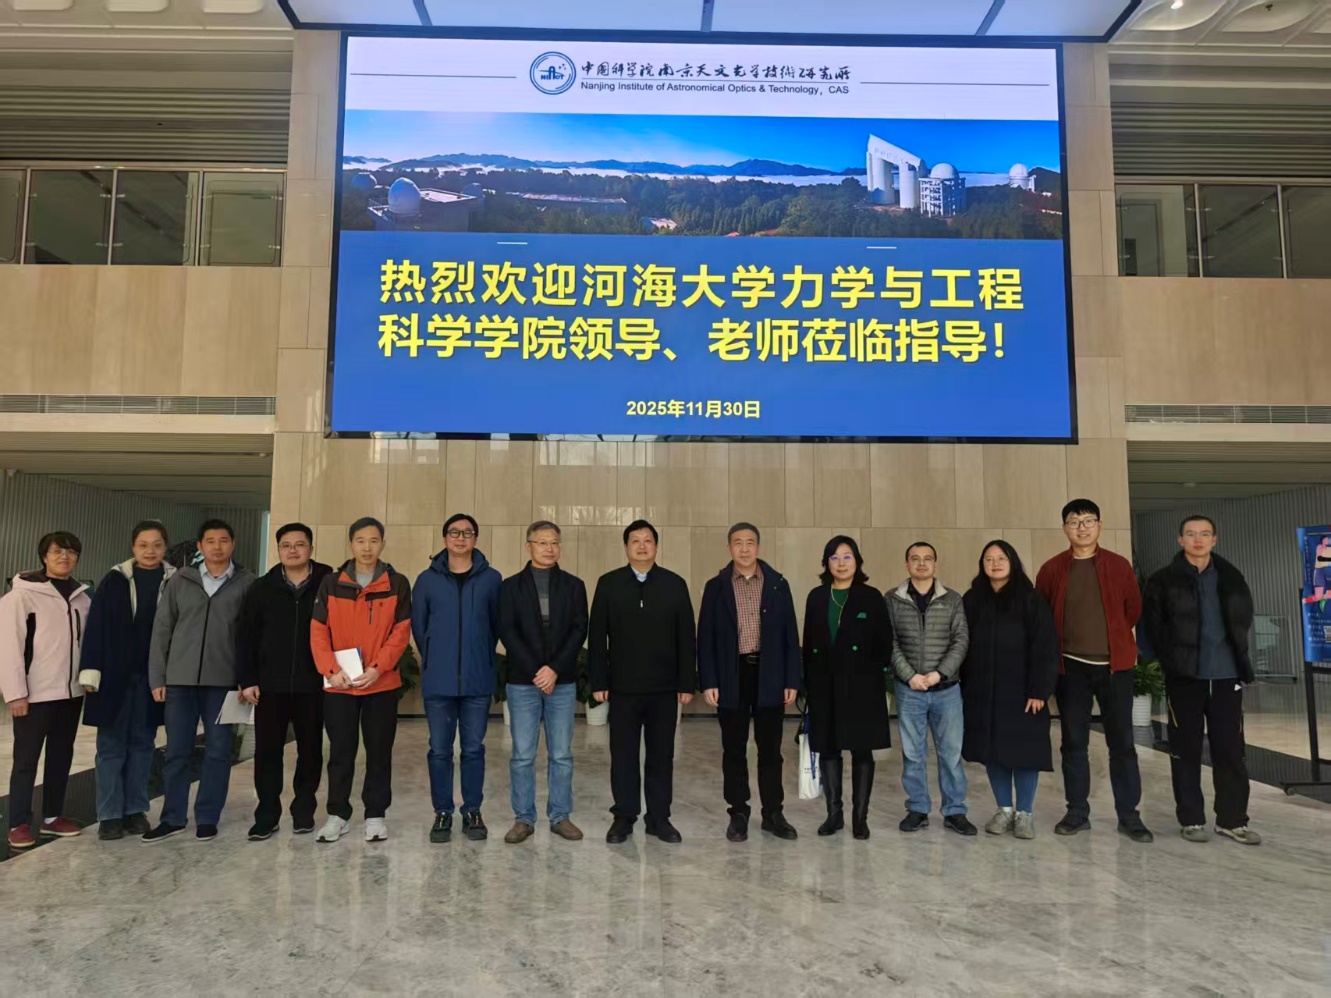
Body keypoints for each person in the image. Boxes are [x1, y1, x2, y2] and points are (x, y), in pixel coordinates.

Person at [1035, 499, 1153, 843]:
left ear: (1100, 525)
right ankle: (1077, 812)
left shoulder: (1118, 565)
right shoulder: (1052, 569)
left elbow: (1132, 609)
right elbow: (1042, 616)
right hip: (1069, 669)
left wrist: (1113, 640)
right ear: (1065, 529)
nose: (1082, 528)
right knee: (1073, 743)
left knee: (1123, 744)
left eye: (1088, 521)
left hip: (1115, 669)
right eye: (1074, 522)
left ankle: (1129, 815)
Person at [1143, 516, 1261, 846]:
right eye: (1191, 534)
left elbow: (1243, 616)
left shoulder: (1231, 577)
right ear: (1180, 540)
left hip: (1226, 676)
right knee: (1185, 750)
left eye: (1205, 534)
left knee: (1231, 750)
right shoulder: (1162, 580)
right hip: (1185, 677)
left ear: (1214, 539)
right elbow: (1152, 625)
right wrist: (1169, 660)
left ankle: (1232, 820)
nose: (1198, 539)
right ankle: (1191, 818)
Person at [145, 519, 255, 842]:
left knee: (219, 750)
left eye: (223, 540)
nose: (217, 547)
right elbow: (162, 630)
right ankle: (172, 817)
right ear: (199, 546)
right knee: (177, 751)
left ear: (233, 544)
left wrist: (247, 678)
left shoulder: (247, 582)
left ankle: (208, 817)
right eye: (210, 541)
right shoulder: (180, 580)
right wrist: (158, 676)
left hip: (225, 683)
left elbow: (253, 635)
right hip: (180, 682)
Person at [589, 519, 696, 845]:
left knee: (661, 756)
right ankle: (624, 817)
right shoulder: (609, 584)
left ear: (656, 546)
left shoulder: (674, 584)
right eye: (635, 540)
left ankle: (659, 818)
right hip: (623, 689)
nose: (641, 546)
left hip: (664, 690)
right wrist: (598, 680)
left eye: (648, 540)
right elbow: (597, 637)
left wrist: (686, 683)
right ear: (626, 547)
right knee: (623, 756)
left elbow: (686, 637)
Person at [311, 517, 413, 844]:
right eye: (360, 540)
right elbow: (318, 632)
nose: (367, 547)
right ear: (351, 544)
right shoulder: (331, 583)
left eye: (373, 540)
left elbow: (400, 633)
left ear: (382, 544)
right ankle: (338, 815)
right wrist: (331, 670)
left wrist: (378, 668)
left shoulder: (397, 584)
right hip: (340, 684)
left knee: (379, 752)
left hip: (380, 683)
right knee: (340, 752)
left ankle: (375, 815)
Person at [698, 522, 801, 842]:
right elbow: (705, 638)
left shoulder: (777, 584)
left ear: (758, 546)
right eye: (738, 542)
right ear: (729, 547)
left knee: (770, 749)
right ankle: (739, 812)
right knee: (734, 748)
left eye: (750, 542)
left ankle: (773, 813)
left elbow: (790, 634)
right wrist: (709, 680)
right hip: (732, 674)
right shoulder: (716, 587)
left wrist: (791, 678)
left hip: (770, 674)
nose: (744, 548)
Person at [235, 522, 334, 841]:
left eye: (299, 544)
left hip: (313, 684)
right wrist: (247, 678)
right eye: (286, 545)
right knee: (267, 752)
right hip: (269, 685)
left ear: (311, 548)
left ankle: (304, 810)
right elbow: (245, 636)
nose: (293, 550)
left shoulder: (328, 584)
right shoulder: (261, 588)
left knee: (310, 751)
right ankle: (266, 815)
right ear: (278, 550)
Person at [79, 520, 174, 842]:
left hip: (152, 678)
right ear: (133, 547)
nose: (150, 551)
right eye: (143, 545)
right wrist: (90, 671)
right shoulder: (115, 580)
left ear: (165, 547)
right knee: (110, 747)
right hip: (113, 677)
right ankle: (109, 815)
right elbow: (95, 628)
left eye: (157, 545)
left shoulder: (174, 581)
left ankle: (135, 810)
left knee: (143, 745)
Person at [496, 520, 588, 844]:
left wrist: (554, 670)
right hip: (523, 682)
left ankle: (560, 816)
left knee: (561, 754)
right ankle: (523, 819)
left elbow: (579, 630)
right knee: (523, 754)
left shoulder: (574, 586)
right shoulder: (510, 587)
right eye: (543, 542)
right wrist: (539, 670)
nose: (550, 548)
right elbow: (507, 631)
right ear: (528, 546)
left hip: (561, 683)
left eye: (554, 543)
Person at [961, 541, 1060, 840]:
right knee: (993, 751)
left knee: (1025, 752)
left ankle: (1024, 813)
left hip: (1023, 692)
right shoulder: (972, 599)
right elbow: (962, 643)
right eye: (988, 559)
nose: (995, 563)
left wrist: (1039, 690)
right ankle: (1004, 809)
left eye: (1001, 558)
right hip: (984, 691)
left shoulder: (1030, 599)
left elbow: (1045, 647)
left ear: (1012, 561)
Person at [412, 513, 501, 844]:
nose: (460, 538)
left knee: (474, 749)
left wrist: (480, 654)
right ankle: (443, 812)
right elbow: (419, 627)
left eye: (467, 533)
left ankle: (473, 810)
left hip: (477, 680)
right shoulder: (427, 580)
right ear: (444, 538)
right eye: (454, 532)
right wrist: (436, 656)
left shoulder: (492, 579)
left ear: (475, 538)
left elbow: (495, 626)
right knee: (439, 750)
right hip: (439, 681)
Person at [1, 531, 91, 850]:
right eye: (57, 551)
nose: (64, 556)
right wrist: (15, 693)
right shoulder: (21, 597)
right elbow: (8, 647)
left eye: (70, 552)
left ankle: (52, 817)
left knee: (61, 757)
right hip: (34, 695)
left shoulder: (83, 599)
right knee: (26, 761)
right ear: (44, 556)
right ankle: (18, 823)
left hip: (70, 695)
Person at [801, 536, 892, 840]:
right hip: (823, 684)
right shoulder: (817, 597)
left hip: (862, 686)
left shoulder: (871, 597)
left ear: (857, 561)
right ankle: (834, 814)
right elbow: (809, 642)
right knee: (829, 748)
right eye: (834, 557)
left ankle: (859, 818)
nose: (841, 563)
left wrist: (872, 673)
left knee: (861, 749)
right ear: (826, 562)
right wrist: (807, 683)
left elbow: (884, 642)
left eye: (847, 557)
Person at [886, 542, 975, 835]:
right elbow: (889, 641)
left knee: (951, 754)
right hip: (909, 689)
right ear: (907, 564)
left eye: (927, 559)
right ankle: (917, 808)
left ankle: (955, 811)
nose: (921, 563)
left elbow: (961, 640)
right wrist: (910, 675)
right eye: (915, 559)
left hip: (946, 689)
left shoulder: (952, 599)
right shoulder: (893, 599)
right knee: (913, 754)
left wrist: (939, 674)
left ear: (935, 564)